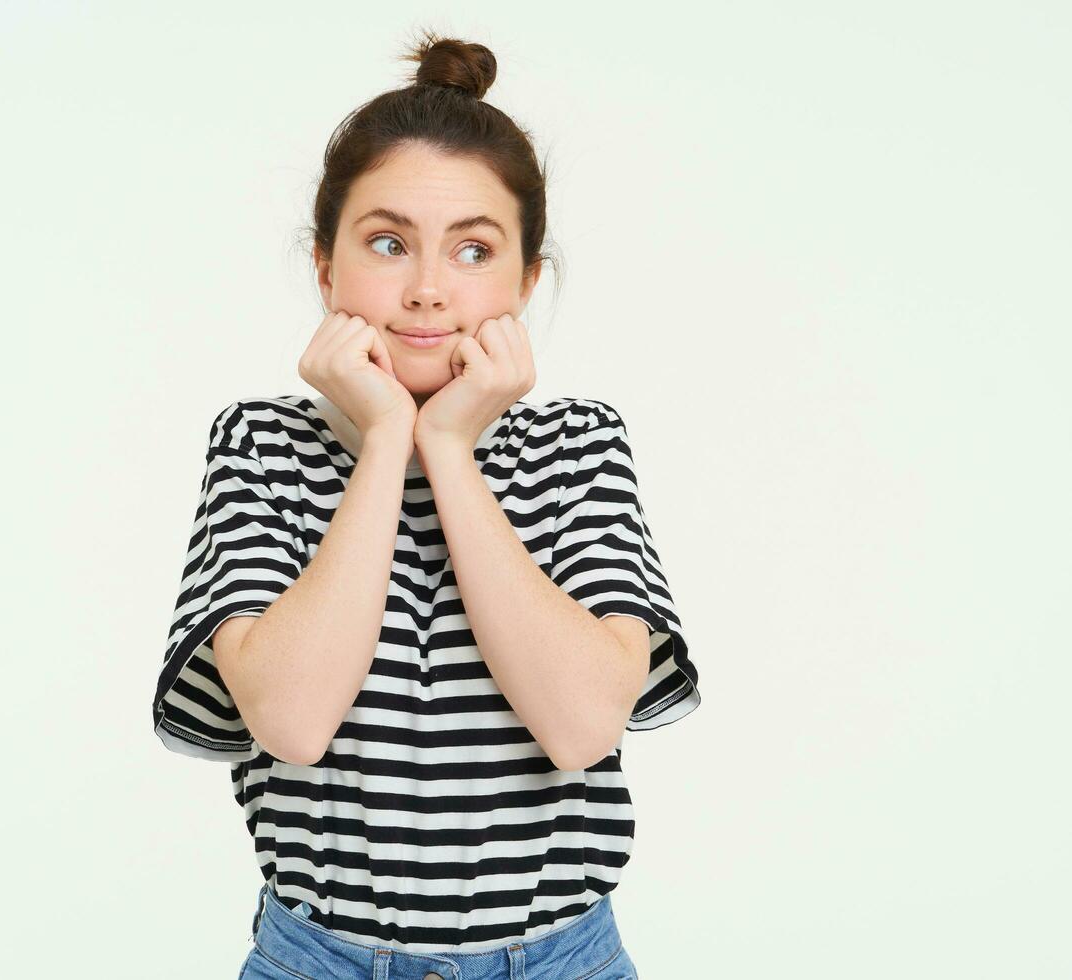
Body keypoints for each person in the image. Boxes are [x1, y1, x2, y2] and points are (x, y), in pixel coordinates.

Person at [152, 33, 701, 980]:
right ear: (326, 267)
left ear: (528, 280)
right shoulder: (261, 446)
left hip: (557, 960)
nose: (428, 289)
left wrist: (448, 445)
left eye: (475, 249)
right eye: (387, 242)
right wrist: (384, 444)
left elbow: (580, 726)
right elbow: (290, 719)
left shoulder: (575, 446)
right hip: (318, 960)